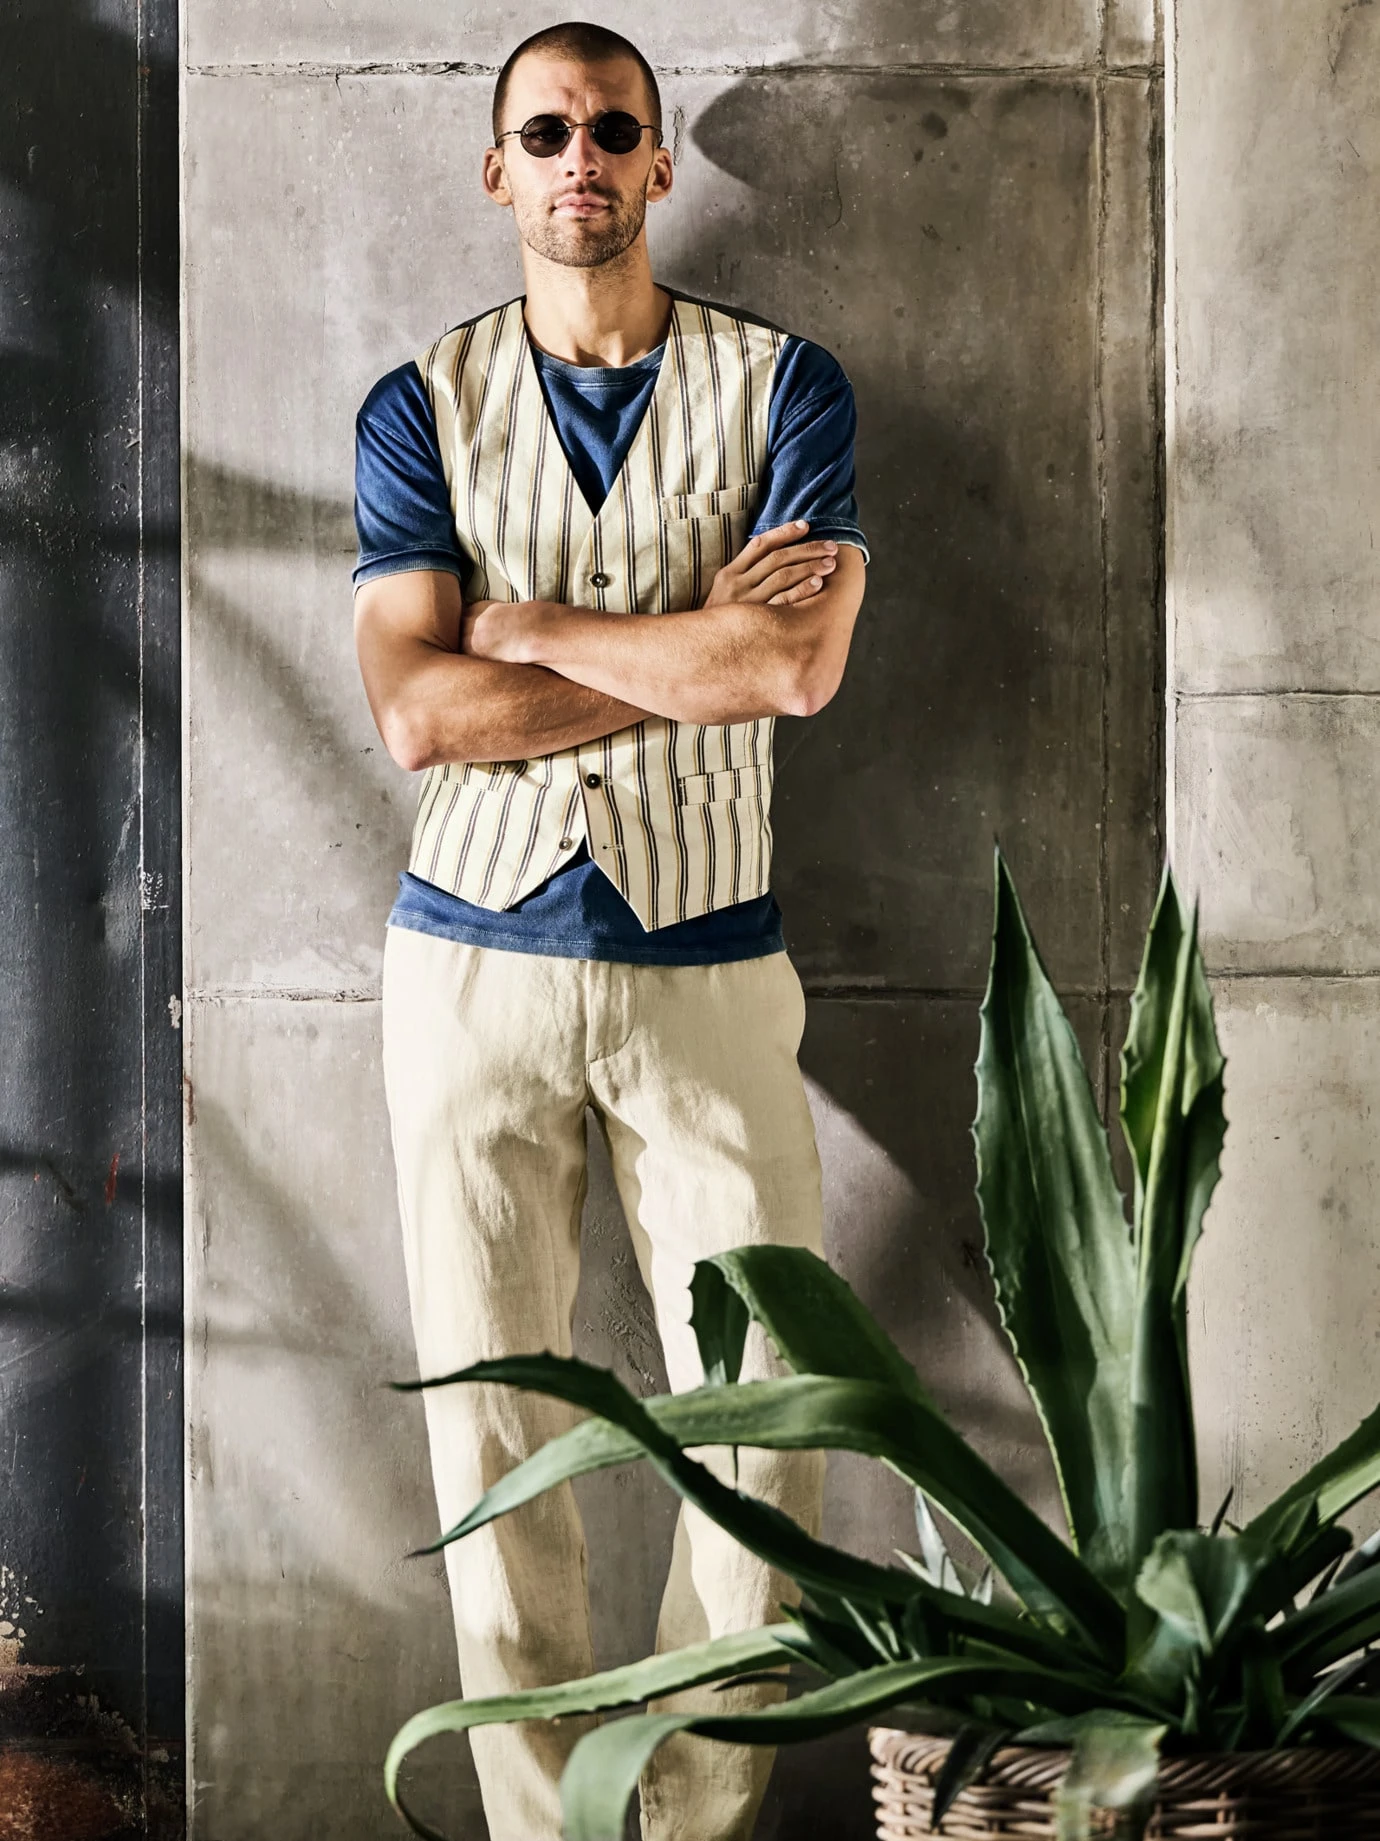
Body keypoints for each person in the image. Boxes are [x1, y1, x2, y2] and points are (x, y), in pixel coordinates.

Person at [352, 21, 868, 1841]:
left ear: (660, 162)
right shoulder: (418, 406)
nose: (582, 156)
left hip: (709, 968)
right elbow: (417, 718)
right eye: (547, 129)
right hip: (470, 970)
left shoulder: (791, 389)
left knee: (771, 1417)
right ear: (497, 167)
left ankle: (696, 1825)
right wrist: (680, 647)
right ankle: (538, 1829)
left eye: (614, 128)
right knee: (488, 1434)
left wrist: (533, 629)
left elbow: (791, 668)